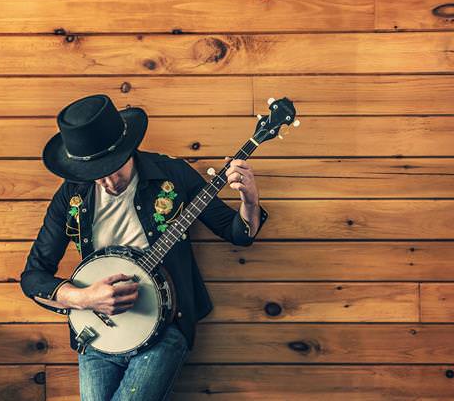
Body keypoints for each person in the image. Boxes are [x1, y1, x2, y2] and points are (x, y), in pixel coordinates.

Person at [19, 94, 269, 400]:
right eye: (97, 176)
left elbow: (237, 233)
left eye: (115, 168)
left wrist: (250, 200)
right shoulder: (72, 195)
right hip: (97, 335)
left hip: (165, 326)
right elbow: (33, 276)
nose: (109, 183)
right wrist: (83, 298)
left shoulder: (173, 174)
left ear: (129, 149)